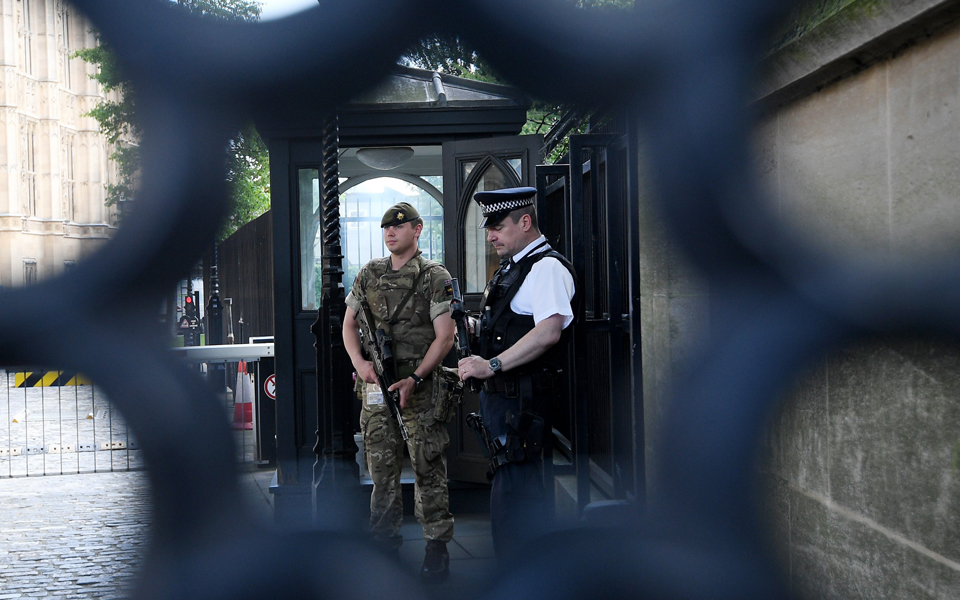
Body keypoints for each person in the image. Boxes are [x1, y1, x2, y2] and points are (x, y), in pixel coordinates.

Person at [457, 186, 576, 562]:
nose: (490, 236)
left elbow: (548, 331)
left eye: (498, 227)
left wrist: (490, 365)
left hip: (524, 404)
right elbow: (510, 327)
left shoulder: (547, 268)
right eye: (489, 229)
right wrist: (472, 328)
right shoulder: (513, 269)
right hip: (503, 403)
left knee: (518, 504)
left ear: (525, 222)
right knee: (509, 498)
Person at [342, 201, 456, 582]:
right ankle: (384, 547)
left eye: (399, 225)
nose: (391, 232)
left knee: (427, 469)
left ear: (417, 229)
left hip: (419, 390)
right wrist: (360, 364)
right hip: (377, 390)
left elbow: (445, 337)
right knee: (382, 473)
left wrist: (417, 378)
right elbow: (348, 325)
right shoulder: (369, 274)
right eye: (386, 227)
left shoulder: (433, 276)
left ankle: (436, 548)